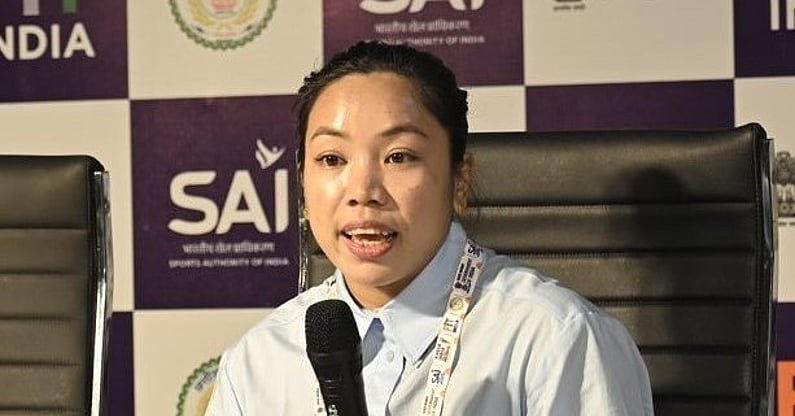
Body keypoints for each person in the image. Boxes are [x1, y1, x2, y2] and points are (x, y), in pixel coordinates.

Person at [204, 40, 654, 415]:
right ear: (302, 184)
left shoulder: (555, 339)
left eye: (399, 157)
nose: (363, 190)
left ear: (460, 179)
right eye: (332, 159)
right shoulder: (259, 360)